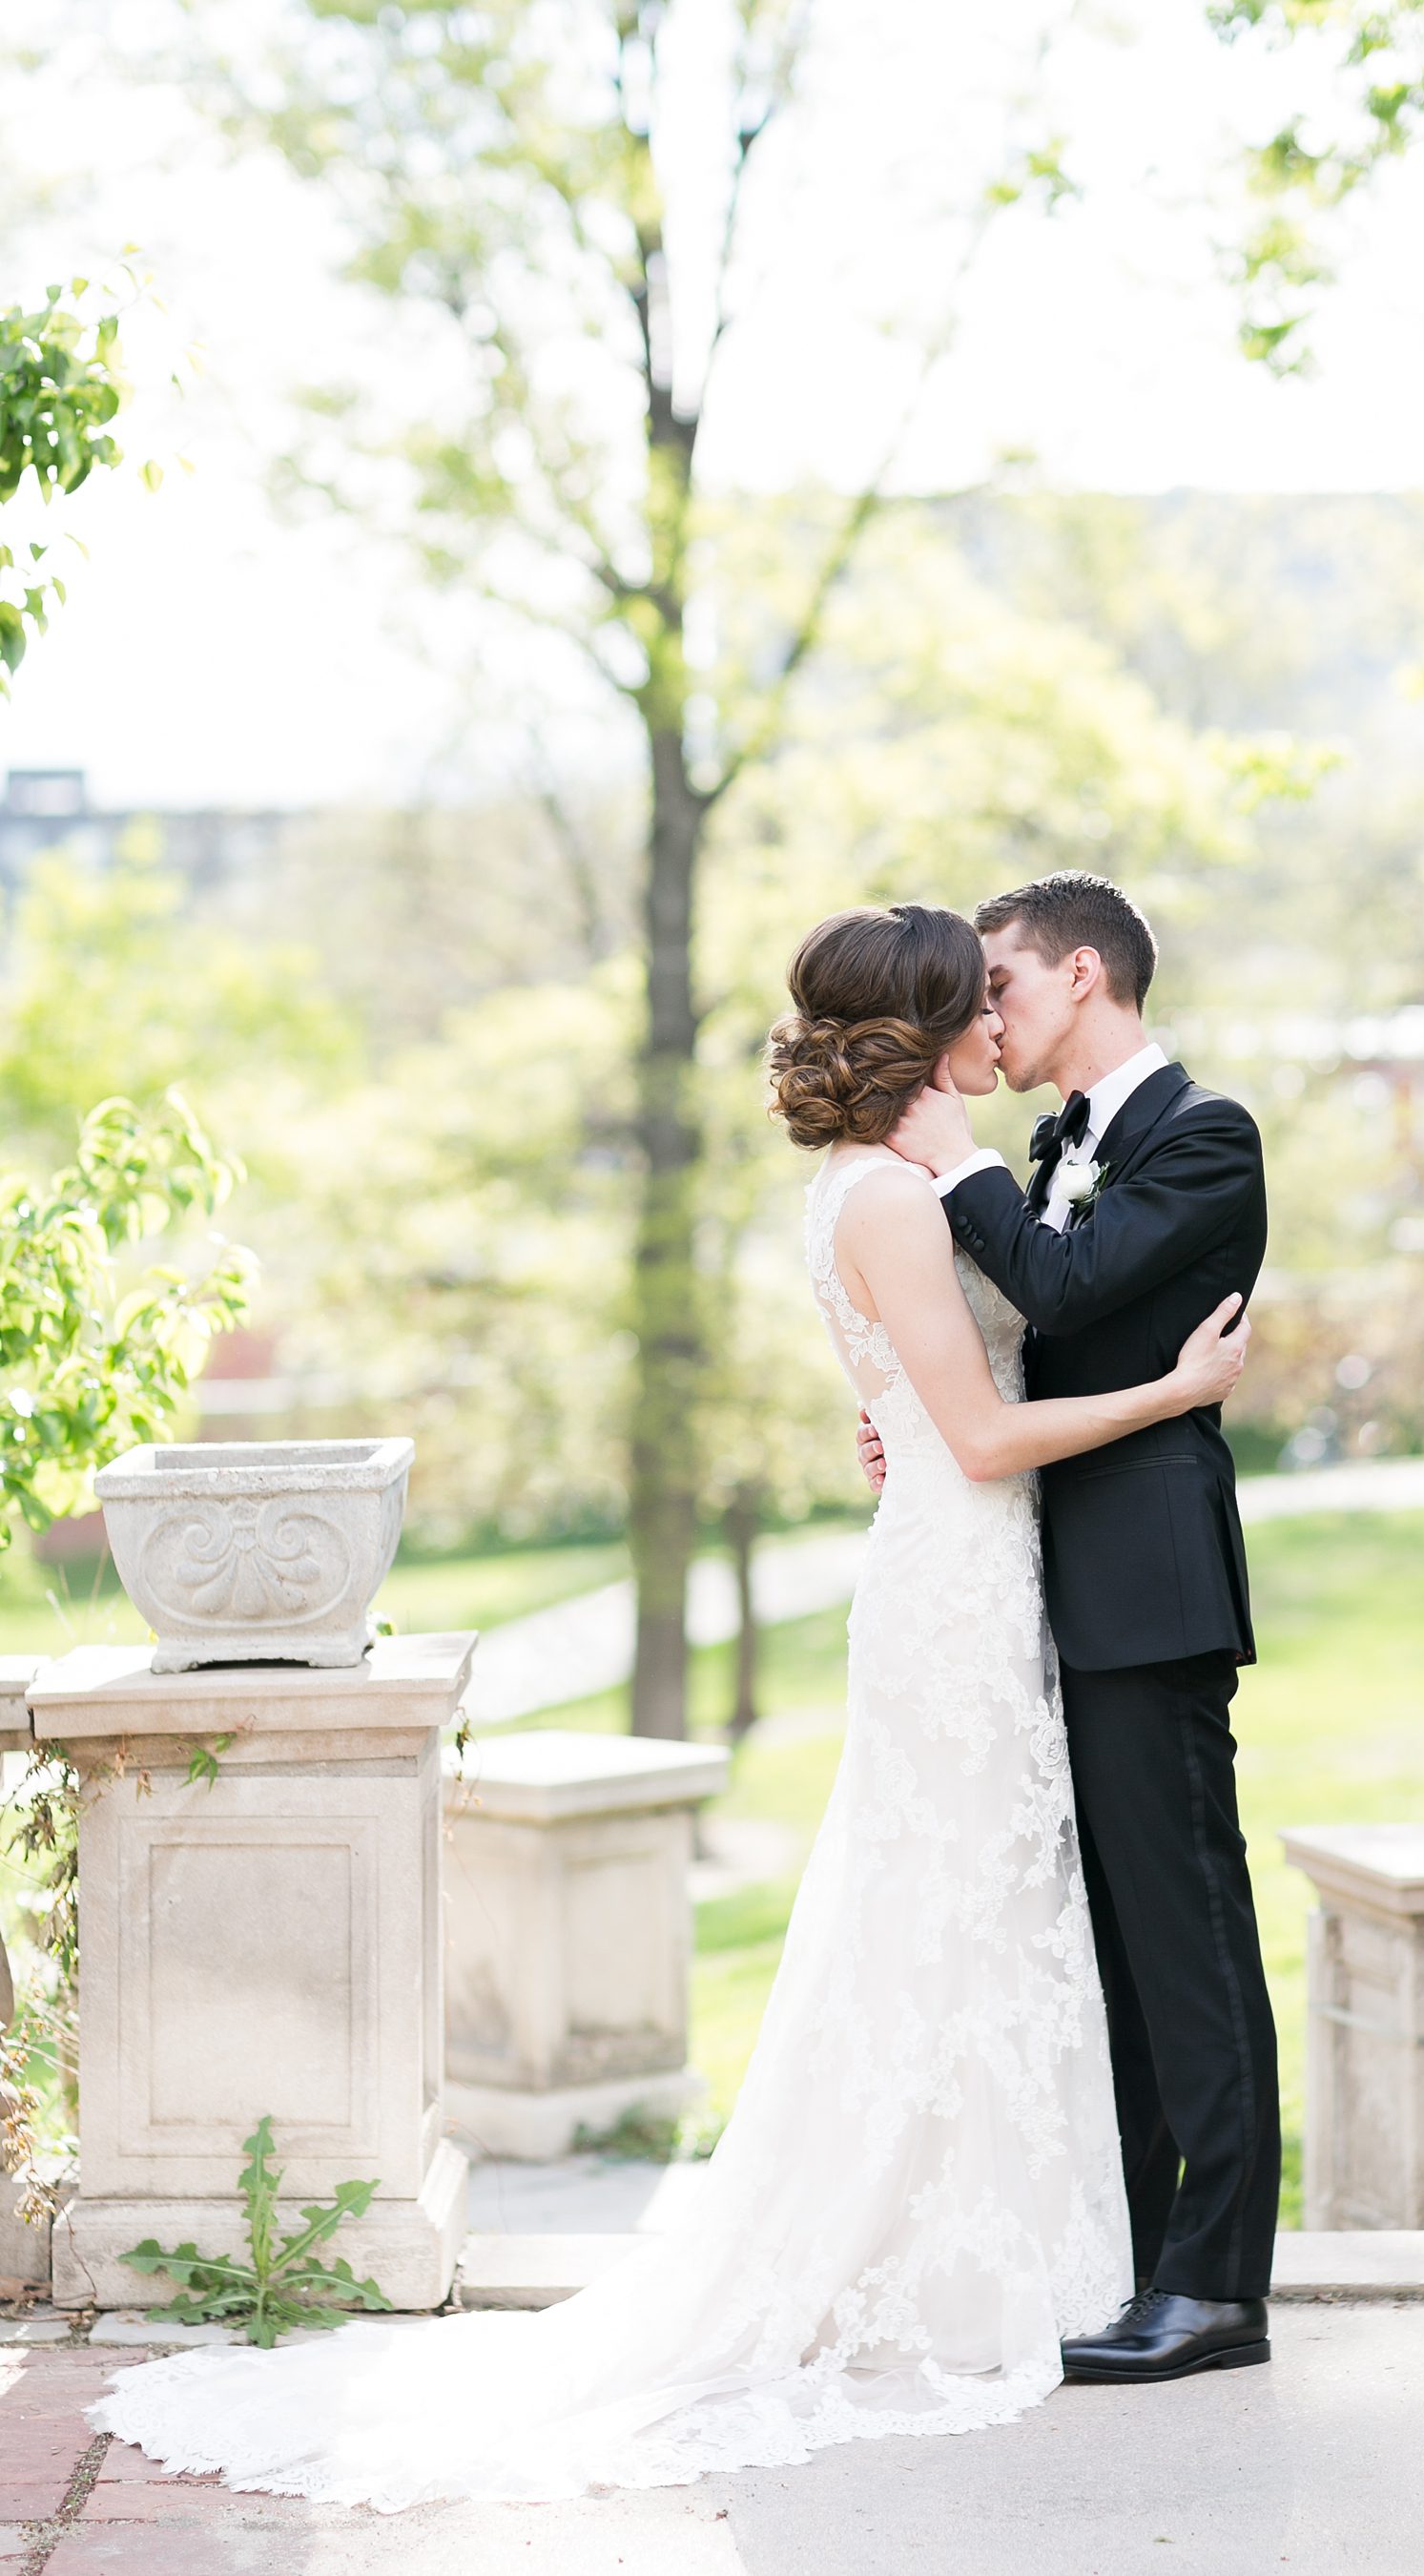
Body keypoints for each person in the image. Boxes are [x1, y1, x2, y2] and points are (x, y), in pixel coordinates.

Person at [88, 900, 1249, 2509]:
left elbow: (976, 1369)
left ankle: (1058, 2250)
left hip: (979, 1575)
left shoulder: (910, 1182)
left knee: (988, 1922)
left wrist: (919, 1420)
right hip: (962, 1577)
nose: (998, 1023)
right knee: (961, 1915)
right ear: (923, 1034)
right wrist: (1175, 1393)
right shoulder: (909, 1198)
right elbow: (982, 1427)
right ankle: (976, 2264)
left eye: (1007, 989)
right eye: (970, 1002)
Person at [874, 869, 1280, 2386]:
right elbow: (1033, 1342)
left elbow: (1071, 1277)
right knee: (1107, 1952)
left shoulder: (1204, 1136)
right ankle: (1134, 2260)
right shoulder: (1059, 1149)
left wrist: (956, 1164)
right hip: (1044, 1589)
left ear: (1087, 974)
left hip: (1149, 1600)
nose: (986, 1012)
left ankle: (1219, 2290)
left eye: (1003, 985)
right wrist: (922, 1431)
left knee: (1190, 1945)